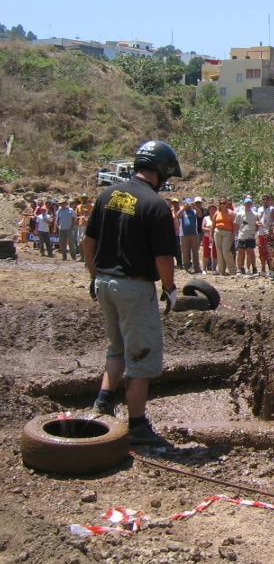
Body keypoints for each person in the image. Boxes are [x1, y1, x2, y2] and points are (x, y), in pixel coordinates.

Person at [84, 140, 181, 446]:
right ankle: (137, 425)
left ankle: (102, 404)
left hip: (104, 284)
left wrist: (94, 276)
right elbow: (164, 258)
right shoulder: (156, 206)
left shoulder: (107, 195)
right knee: (141, 354)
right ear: (162, 171)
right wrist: (169, 289)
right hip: (134, 288)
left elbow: (88, 242)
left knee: (117, 348)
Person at [235, 197, 258, 275]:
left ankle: (248, 268)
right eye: (247, 203)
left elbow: (257, 224)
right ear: (244, 204)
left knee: (249, 252)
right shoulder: (239, 214)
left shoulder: (255, 214)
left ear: (251, 204)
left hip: (251, 235)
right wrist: (237, 234)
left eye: (250, 203)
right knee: (240, 252)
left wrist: (255, 232)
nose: (248, 204)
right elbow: (236, 225)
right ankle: (239, 268)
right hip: (242, 235)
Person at [213, 198, 237, 275]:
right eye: (221, 203)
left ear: (227, 204)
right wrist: (211, 234)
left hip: (228, 233)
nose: (222, 205)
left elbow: (234, 225)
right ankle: (221, 271)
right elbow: (213, 225)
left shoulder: (231, 213)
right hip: (217, 232)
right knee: (219, 252)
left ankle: (232, 271)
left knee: (226, 251)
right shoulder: (216, 213)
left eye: (224, 203)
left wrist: (233, 235)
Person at [76, 193, 93, 262]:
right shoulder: (78, 206)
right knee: (79, 241)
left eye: (85, 198)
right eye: (83, 198)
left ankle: (87, 258)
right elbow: (77, 215)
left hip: (87, 225)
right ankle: (82, 257)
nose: (84, 199)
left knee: (85, 241)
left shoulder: (91, 206)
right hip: (80, 225)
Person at [201, 204, 217, 274]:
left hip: (215, 237)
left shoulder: (217, 218)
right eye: (211, 209)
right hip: (207, 237)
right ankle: (204, 269)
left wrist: (213, 230)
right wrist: (210, 229)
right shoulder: (205, 218)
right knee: (206, 253)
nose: (212, 211)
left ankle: (214, 269)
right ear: (208, 210)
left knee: (215, 253)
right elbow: (203, 228)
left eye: (214, 209)